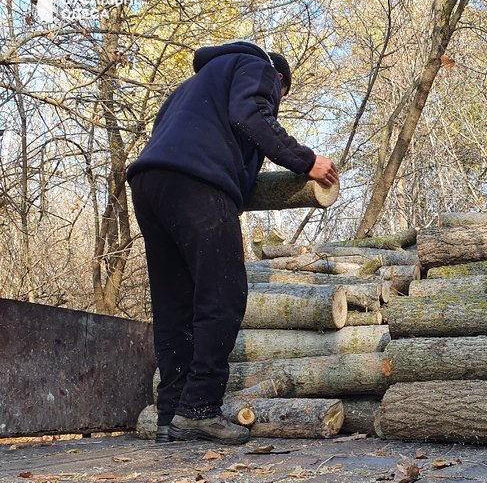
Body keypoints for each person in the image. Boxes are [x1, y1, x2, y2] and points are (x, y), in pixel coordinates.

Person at [126, 41, 338, 445]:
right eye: (279, 98)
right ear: (280, 82)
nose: (274, 101)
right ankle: (199, 409)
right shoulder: (258, 67)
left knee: (176, 304)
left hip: (148, 183)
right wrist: (306, 160)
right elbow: (250, 116)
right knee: (223, 294)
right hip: (197, 183)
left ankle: (169, 415)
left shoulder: (189, 88)